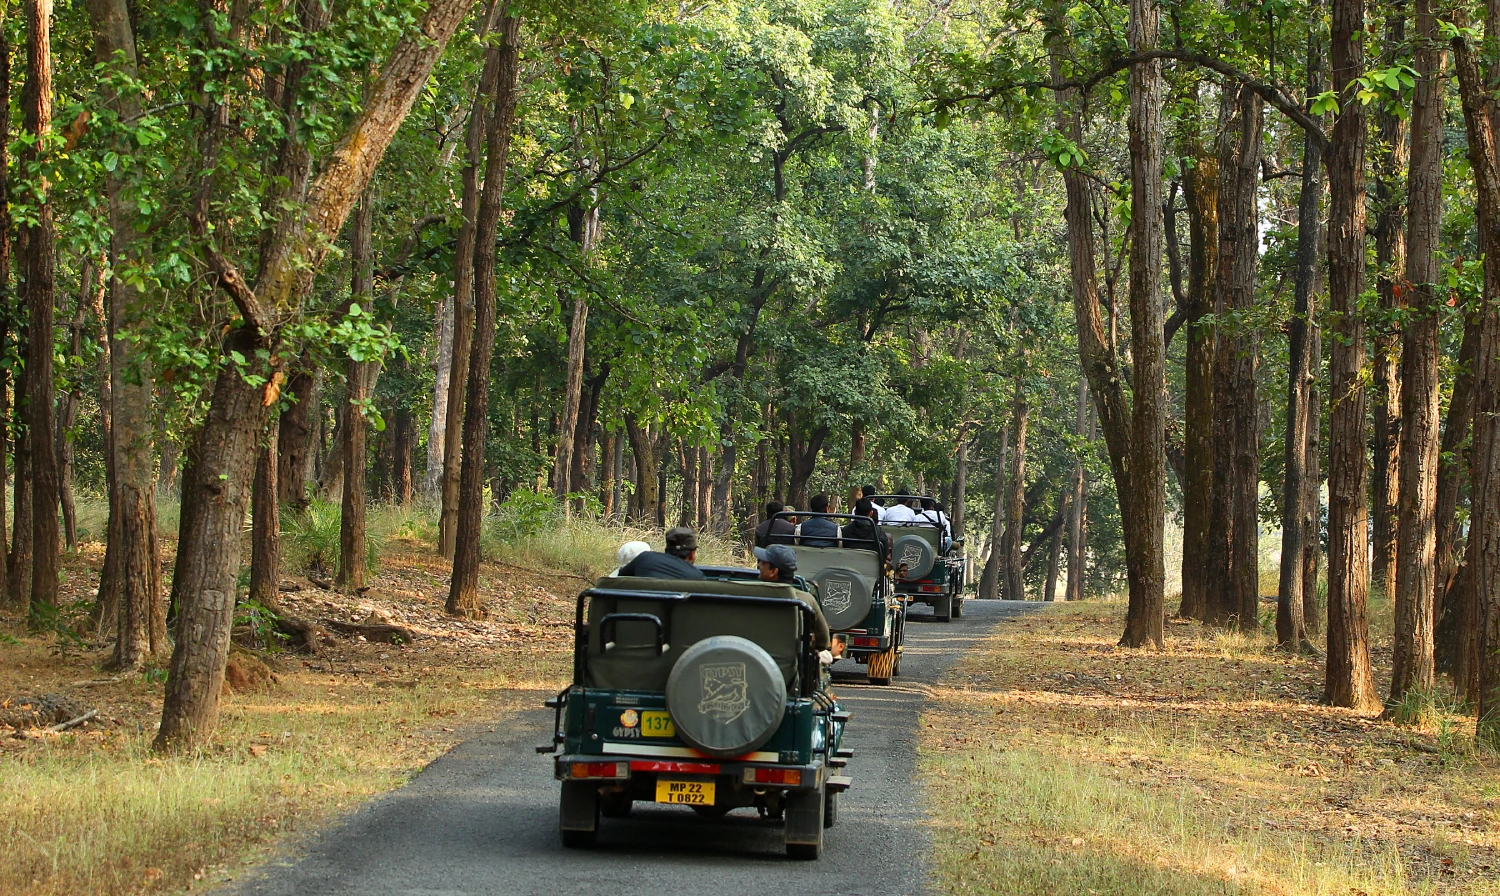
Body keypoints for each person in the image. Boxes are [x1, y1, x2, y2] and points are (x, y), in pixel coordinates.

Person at [755, 544, 837, 657]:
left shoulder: (748, 595)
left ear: (774, 571)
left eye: (763, 563)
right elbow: (822, 641)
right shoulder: (805, 600)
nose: (759, 565)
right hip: (791, 668)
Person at [615, 527, 705, 580]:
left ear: (666, 549)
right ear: (692, 554)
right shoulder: (696, 576)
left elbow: (620, 579)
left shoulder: (644, 558)